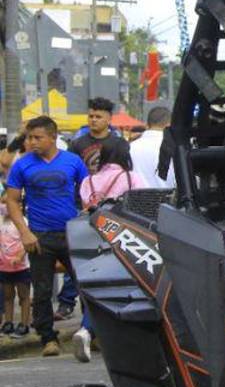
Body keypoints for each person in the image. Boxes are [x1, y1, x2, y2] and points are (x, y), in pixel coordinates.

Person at [4, 117, 88, 357]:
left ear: (53, 137)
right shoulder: (22, 165)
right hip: (39, 236)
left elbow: (88, 193)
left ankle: (89, 332)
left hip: (72, 233)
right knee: (41, 291)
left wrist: (84, 221)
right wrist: (25, 233)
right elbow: (12, 200)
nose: (31, 142)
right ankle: (48, 339)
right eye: (29, 137)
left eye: (37, 137)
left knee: (84, 286)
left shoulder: (73, 161)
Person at [70, 97, 130, 174]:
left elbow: (125, 171)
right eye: (91, 116)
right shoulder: (76, 144)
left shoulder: (119, 144)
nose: (94, 120)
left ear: (109, 120)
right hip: (85, 184)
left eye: (98, 117)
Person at [0, 197, 32, 338]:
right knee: (7, 296)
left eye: (7, 204)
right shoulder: (1, 222)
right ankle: (8, 322)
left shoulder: (22, 222)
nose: (4, 207)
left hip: (21, 267)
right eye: (2, 203)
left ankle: (24, 324)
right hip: (4, 266)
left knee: (23, 296)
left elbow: (27, 241)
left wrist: (19, 256)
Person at [129, 106, 175, 189]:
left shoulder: (130, 147)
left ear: (147, 124)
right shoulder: (175, 148)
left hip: (135, 200)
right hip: (168, 199)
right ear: (169, 125)